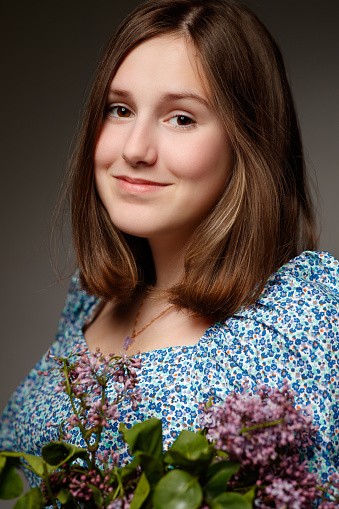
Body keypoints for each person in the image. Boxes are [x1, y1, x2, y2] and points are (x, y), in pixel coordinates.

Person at [0, 0, 338, 491]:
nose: (135, 149)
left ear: (248, 139)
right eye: (120, 109)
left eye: (181, 118)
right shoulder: (90, 300)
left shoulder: (311, 307)